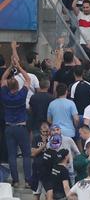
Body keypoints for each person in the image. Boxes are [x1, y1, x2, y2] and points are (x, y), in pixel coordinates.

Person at [0, 53, 32, 187]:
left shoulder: (5, 96)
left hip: (9, 127)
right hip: (21, 127)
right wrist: (18, 66)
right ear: (17, 87)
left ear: (8, 87)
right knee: (26, 154)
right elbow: (28, 79)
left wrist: (9, 68)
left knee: (12, 155)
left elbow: (2, 79)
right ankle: (28, 181)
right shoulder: (21, 95)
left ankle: (15, 180)